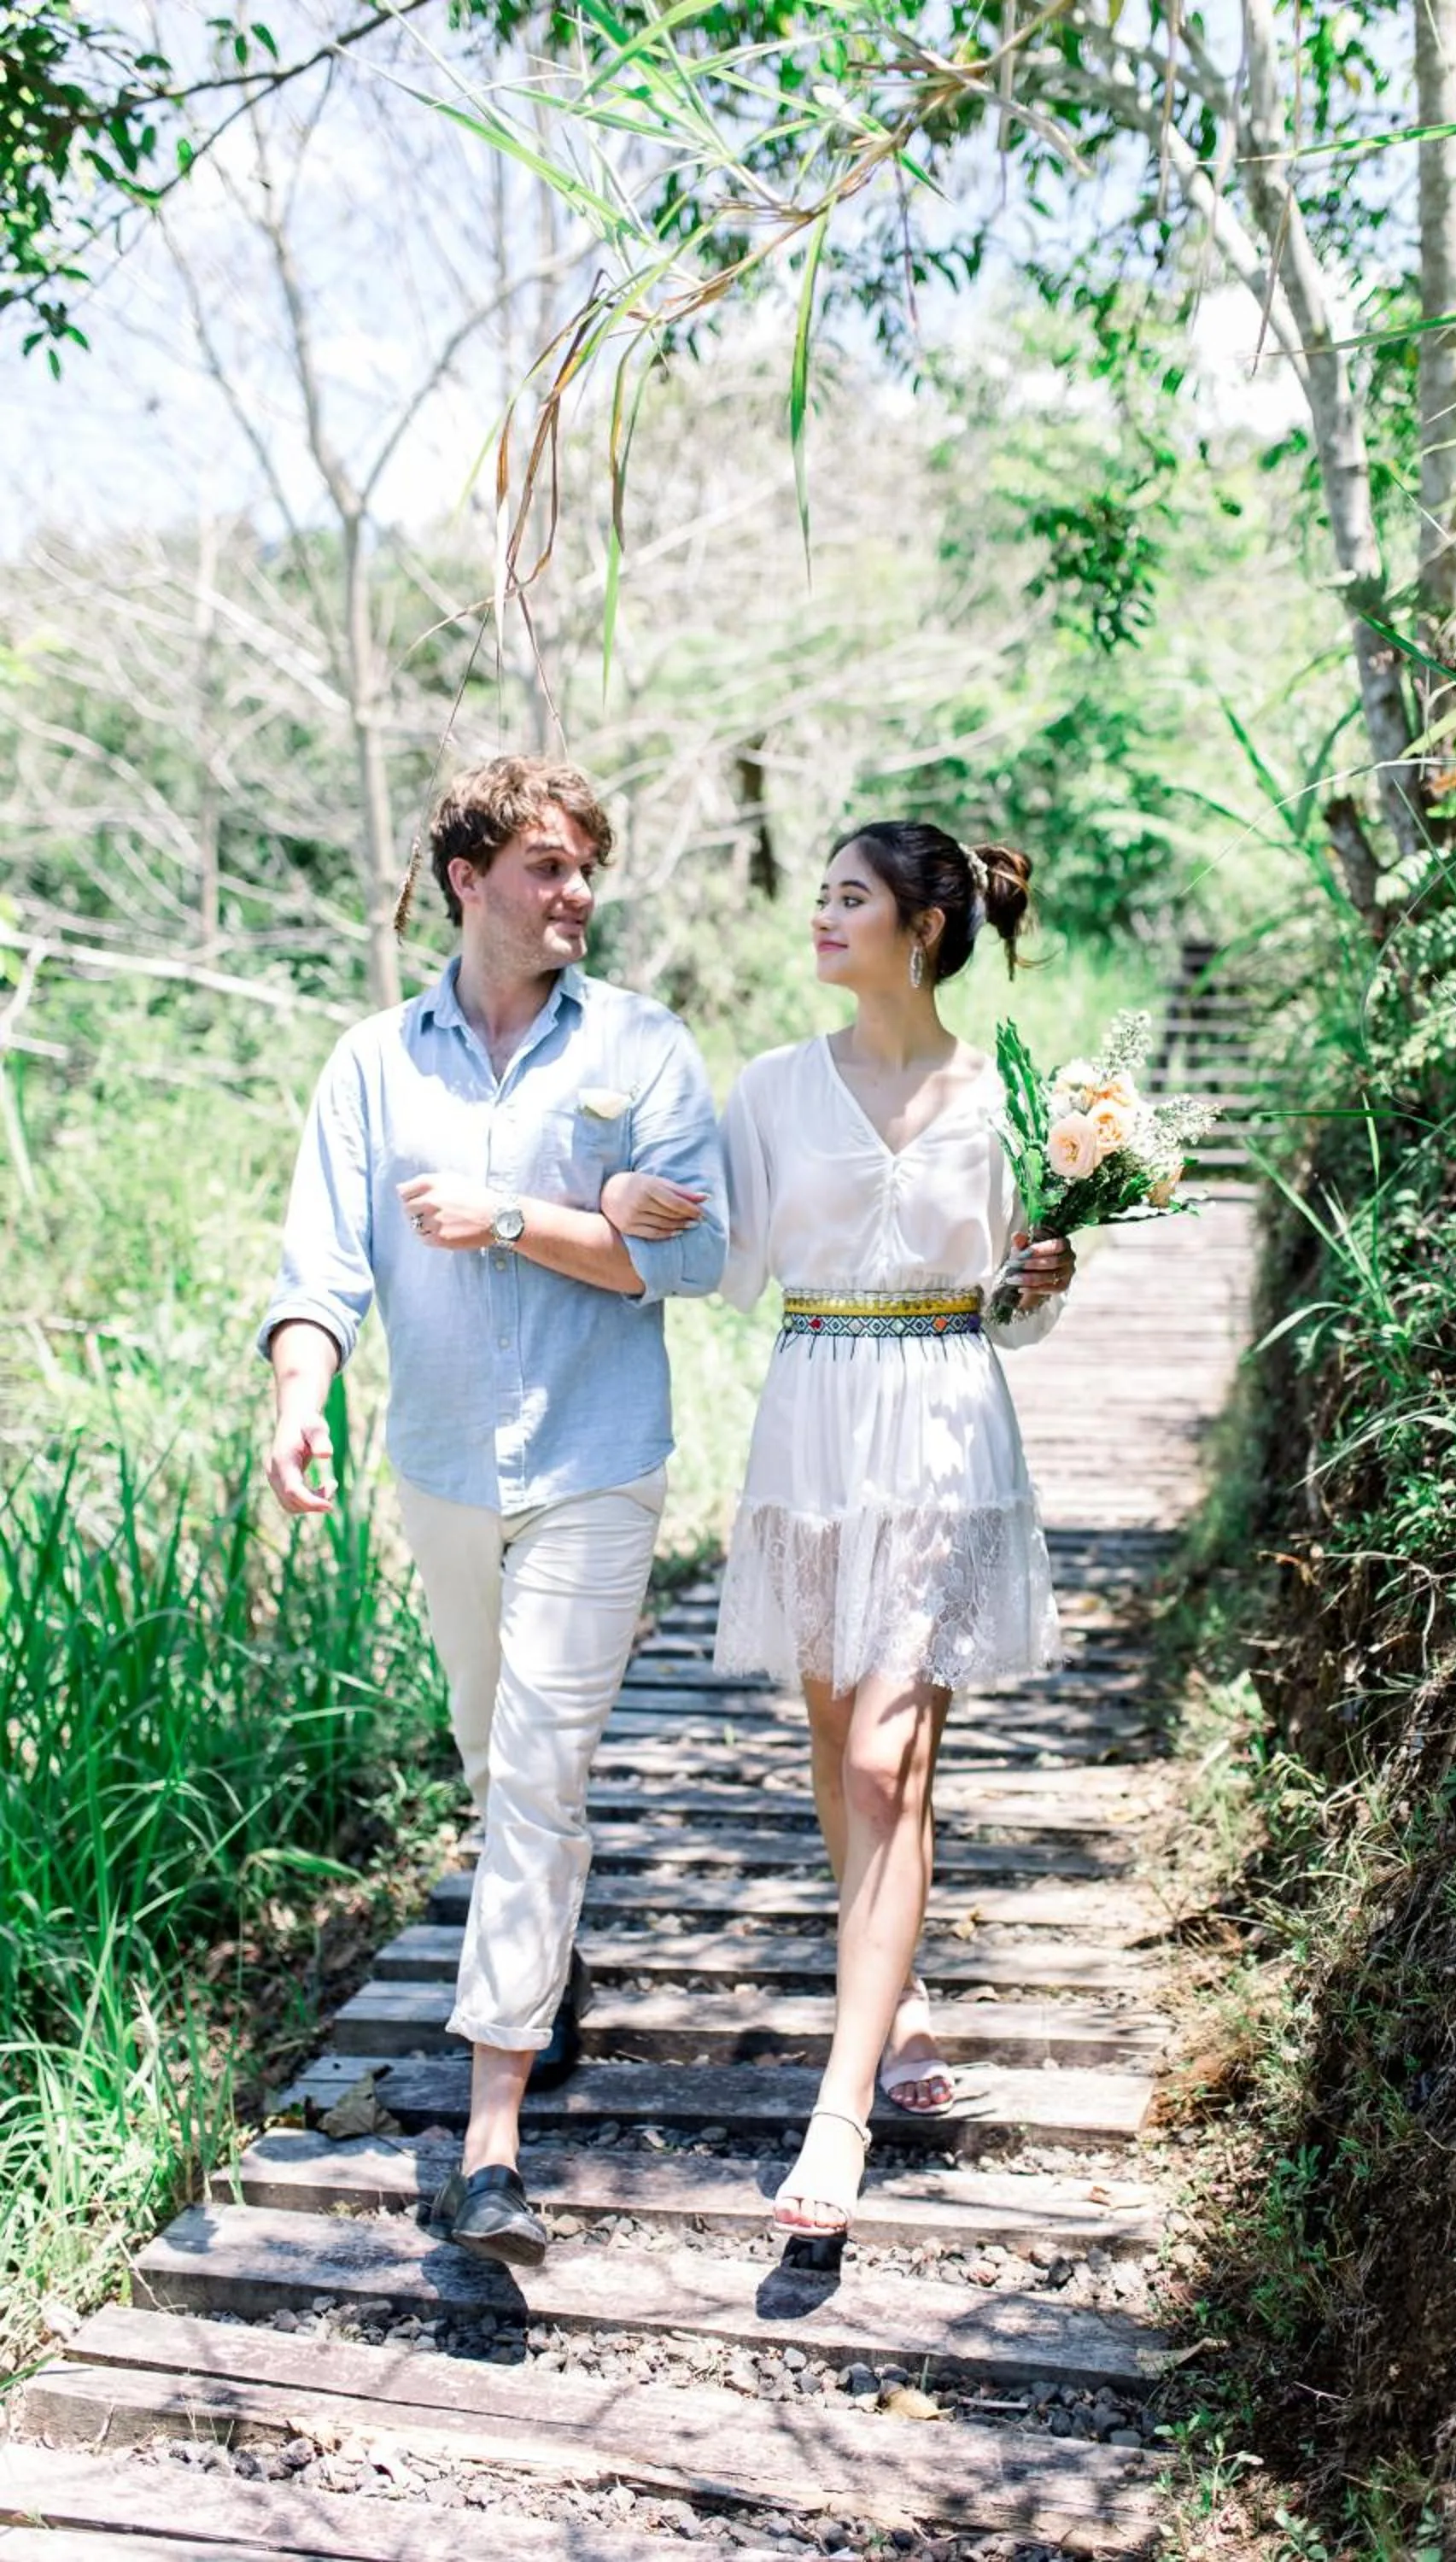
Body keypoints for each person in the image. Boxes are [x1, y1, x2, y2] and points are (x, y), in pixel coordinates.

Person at [260, 755, 726, 2268]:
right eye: (545, 865)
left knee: (536, 1773)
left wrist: (516, 1219)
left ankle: (490, 2152)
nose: (575, 891)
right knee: (490, 1751)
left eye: (587, 866)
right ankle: (548, 1972)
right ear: (468, 879)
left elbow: (691, 1260)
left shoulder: (644, 1048)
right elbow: (320, 1273)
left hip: (598, 1457)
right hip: (444, 1465)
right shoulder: (371, 1067)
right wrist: (292, 1402)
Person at [611, 818, 1073, 2239]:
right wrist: (625, 1203)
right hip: (811, 1417)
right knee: (840, 1747)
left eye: (849, 899)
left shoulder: (1009, 1090)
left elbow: (1026, 1304)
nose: (820, 918)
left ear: (923, 929)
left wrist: (1046, 1270)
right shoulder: (766, 1090)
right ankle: (905, 1992)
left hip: (942, 1419)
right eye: (818, 897)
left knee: (889, 1759)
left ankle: (839, 2106)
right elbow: (723, 1263)